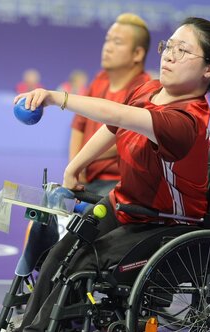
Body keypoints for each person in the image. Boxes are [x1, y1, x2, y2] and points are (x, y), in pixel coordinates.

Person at [12, 16, 210, 332]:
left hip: (164, 223)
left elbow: (119, 114)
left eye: (183, 50)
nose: (170, 54)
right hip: (125, 205)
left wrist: (58, 98)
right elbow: (114, 127)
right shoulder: (148, 89)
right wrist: (74, 166)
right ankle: (31, 328)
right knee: (58, 255)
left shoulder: (186, 120)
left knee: (83, 265)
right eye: (170, 46)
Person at [69, 13, 151, 196]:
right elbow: (78, 124)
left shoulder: (145, 89)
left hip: (117, 183)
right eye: (107, 40)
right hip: (86, 178)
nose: (107, 48)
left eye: (117, 42)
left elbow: (127, 139)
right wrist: (74, 164)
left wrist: (82, 160)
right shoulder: (100, 80)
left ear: (137, 53)